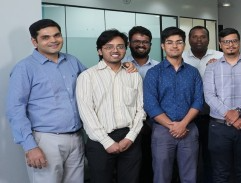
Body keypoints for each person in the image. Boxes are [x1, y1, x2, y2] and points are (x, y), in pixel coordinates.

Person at [6, 19, 87, 183]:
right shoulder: (25, 68)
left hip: (77, 138)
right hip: (45, 141)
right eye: (46, 37)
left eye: (57, 35)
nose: (53, 40)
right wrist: (30, 146)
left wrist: (125, 66)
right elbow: (15, 110)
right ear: (34, 42)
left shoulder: (72, 61)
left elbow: (94, 83)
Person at [76, 29, 145, 183]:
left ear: (125, 49)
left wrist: (131, 137)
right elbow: (87, 113)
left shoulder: (133, 74)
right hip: (100, 141)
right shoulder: (87, 77)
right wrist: (107, 142)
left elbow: (141, 110)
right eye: (109, 47)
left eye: (120, 46)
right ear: (100, 51)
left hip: (130, 138)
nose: (115, 50)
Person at [143, 27, 204, 183]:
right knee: (161, 176)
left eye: (179, 42)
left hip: (189, 129)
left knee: (190, 176)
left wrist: (183, 124)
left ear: (184, 45)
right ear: (163, 46)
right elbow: (151, 104)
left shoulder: (193, 72)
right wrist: (172, 126)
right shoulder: (154, 73)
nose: (174, 46)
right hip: (162, 131)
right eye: (169, 42)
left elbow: (198, 100)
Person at [203, 28, 241, 183]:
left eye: (234, 41)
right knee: (220, 173)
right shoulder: (211, 67)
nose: (230, 45)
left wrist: (238, 111)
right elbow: (209, 95)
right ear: (220, 44)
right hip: (219, 128)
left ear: (239, 43)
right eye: (226, 42)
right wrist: (230, 115)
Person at [183, 25, 222, 182]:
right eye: (194, 36)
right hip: (187, 115)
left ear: (209, 39)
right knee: (188, 155)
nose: (199, 40)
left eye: (203, 36)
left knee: (211, 153)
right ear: (189, 39)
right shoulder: (182, 57)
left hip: (212, 114)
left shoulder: (220, 56)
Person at [124, 25, 159, 183]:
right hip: (128, 124)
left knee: (152, 164)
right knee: (130, 168)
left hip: (155, 123)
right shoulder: (120, 65)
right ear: (129, 43)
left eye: (145, 42)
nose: (141, 45)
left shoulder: (159, 66)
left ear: (150, 45)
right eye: (136, 41)